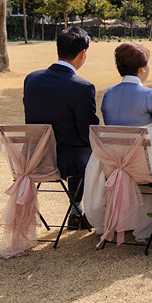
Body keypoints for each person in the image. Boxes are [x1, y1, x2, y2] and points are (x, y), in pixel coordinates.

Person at [83, 42, 152, 243]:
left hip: (115, 165)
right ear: (142, 68)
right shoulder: (149, 95)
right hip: (145, 166)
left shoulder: (109, 95)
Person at [23, 25, 98, 230]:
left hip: (34, 158)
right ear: (82, 53)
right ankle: (83, 210)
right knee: (95, 150)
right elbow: (88, 132)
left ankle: (76, 209)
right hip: (67, 163)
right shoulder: (82, 87)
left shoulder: (31, 79)